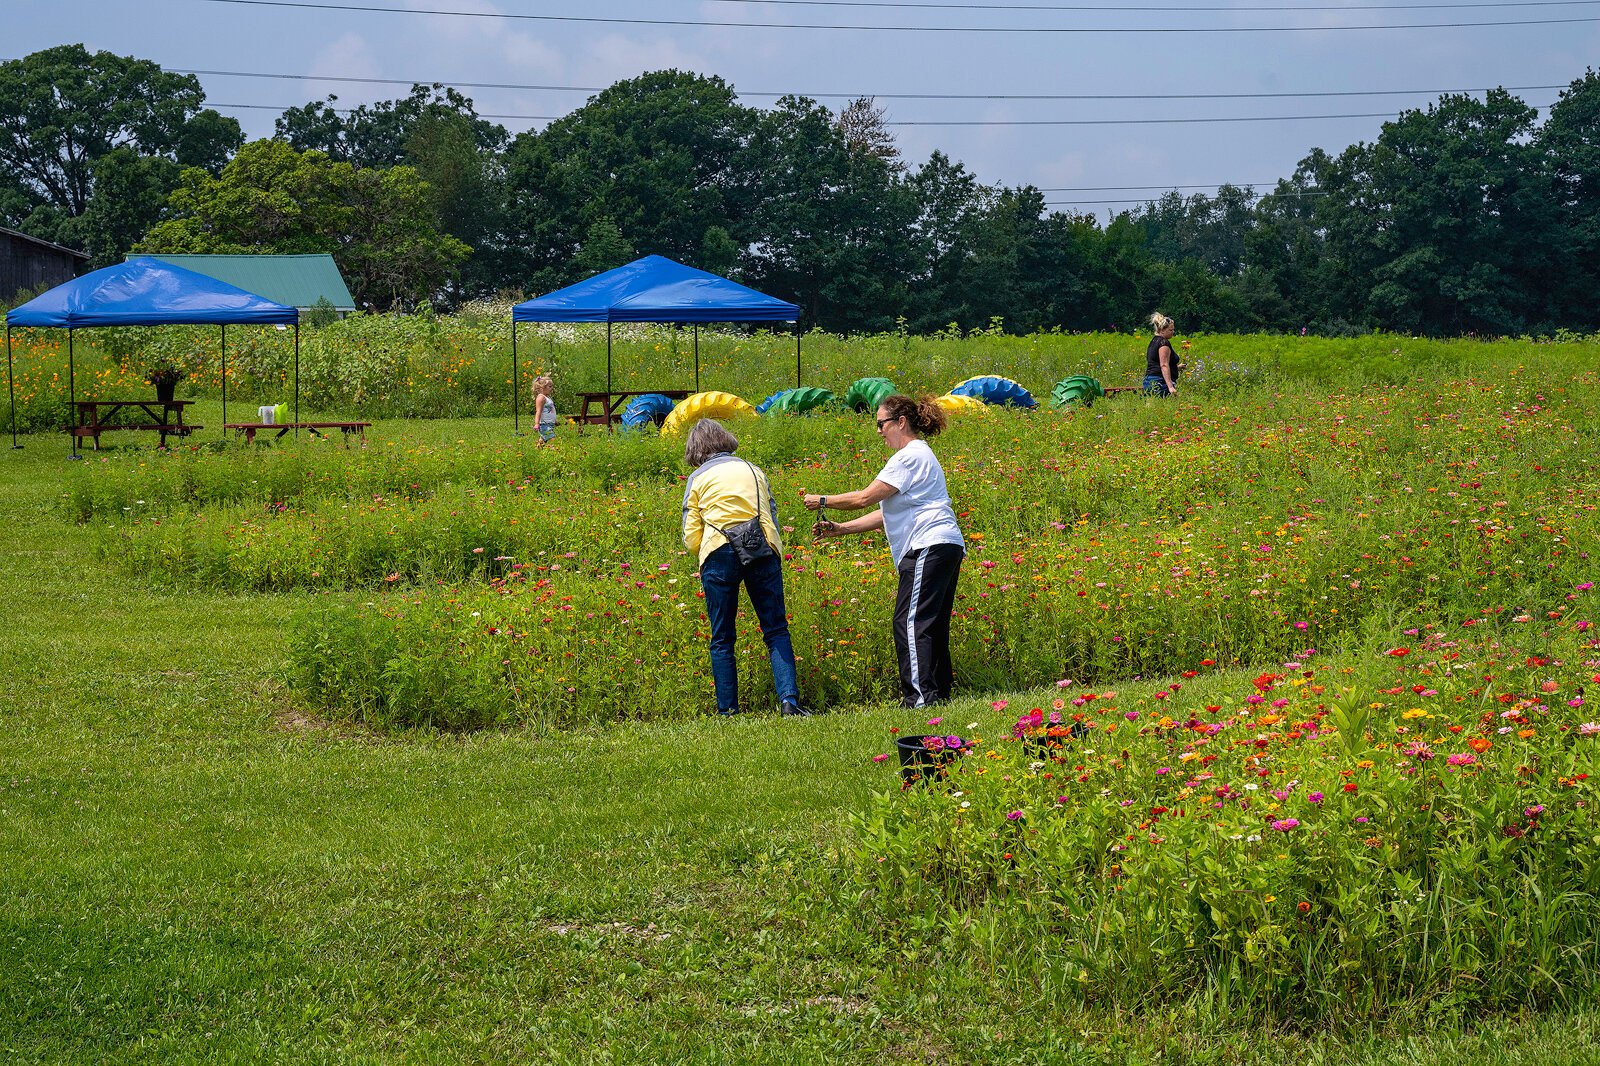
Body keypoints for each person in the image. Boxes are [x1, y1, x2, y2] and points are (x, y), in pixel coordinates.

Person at [802, 394, 965, 708]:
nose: (878, 431)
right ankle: (938, 693)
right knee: (930, 622)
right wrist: (841, 528)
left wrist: (822, 499)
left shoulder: (909, 455)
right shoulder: (922, 455)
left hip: (926, 544)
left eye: (881, 424)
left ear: (900, 423)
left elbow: (864, 497)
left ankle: (920, 698)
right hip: (944, 543)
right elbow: (886, 513)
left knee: (909, 622)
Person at [681, 419, 812, 718]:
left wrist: (701, 552)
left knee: (723, 636)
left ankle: (728, 710)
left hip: (718, 550)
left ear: (696, 450)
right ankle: (789, 701)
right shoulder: (754, 470)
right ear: (726, 440)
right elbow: (771, 512)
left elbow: (691, 533)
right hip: (761, 546)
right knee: (776, 628)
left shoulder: (697, 478)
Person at [1144, 313, 1181, 397]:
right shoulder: (1163, 343)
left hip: (1149, 380)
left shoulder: (1153, 341)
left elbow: (1155, 363)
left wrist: (1177, 368)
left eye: (1173, 330)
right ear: (1162, 330)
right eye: (1170, 330)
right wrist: (1170, 387)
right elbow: (1164, 365)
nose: (1173, 332)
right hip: (1160, 382)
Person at [532, 375, 558, 443]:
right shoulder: (541, 398)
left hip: (549, 424)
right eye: (549, 386)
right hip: (544, 424)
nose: (551, 388)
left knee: (543, 439)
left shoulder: (547, 398)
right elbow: (538, 411)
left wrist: (555, 420)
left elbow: (550, 411)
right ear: (542, 387)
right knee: (553, 440)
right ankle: (554, 452)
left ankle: (539, 447)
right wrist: (537, 423)